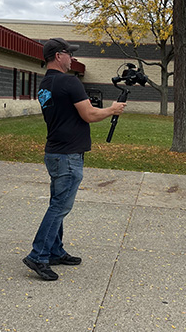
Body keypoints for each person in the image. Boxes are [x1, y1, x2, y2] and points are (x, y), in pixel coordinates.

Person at [23, 37, 127, 281]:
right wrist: (112, 110)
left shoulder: (45, 83)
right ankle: (38, 255)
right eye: (69, 54)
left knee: (57, 203)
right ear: (59, 55)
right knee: (59, 206)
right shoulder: (69, 82)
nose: (72, 58)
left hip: (55, 152)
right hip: (68, 155)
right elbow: (89, 114)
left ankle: (55, 251)